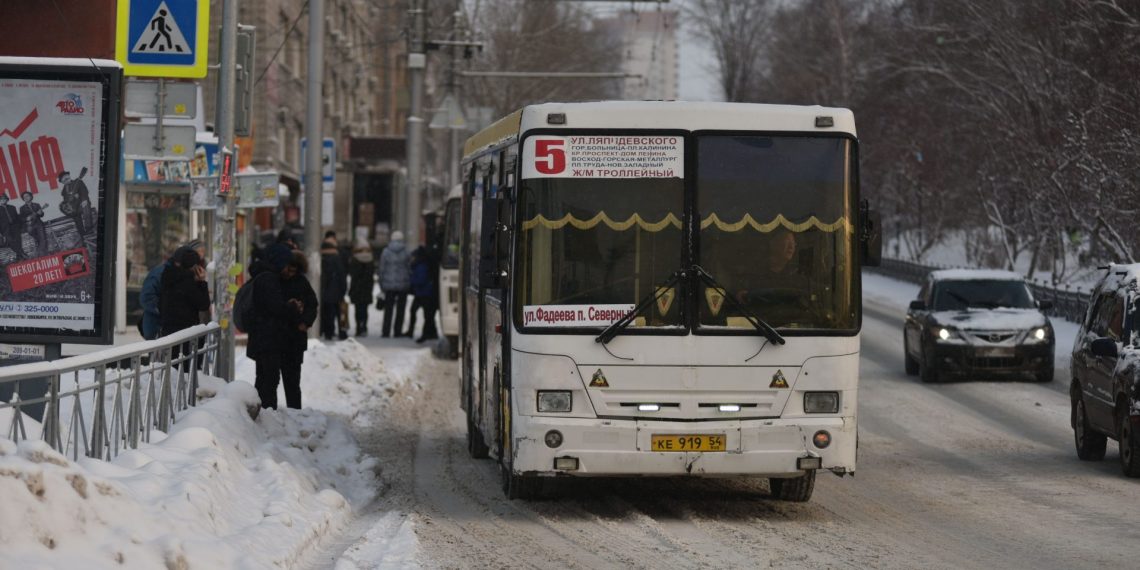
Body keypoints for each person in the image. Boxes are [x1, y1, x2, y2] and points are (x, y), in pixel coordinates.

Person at [247, 245, 317, 409]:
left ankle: (294, 416)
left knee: (291, 383)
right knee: (268, 380)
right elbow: (275, 308)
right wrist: (292, 307)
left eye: (293, 271)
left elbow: (312, 304)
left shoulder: (301, 282)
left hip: (293, 340)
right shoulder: (270, 279)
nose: (289, 273)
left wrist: (305, 322)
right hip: (274, 339)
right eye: (288, 269)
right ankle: (268, 414)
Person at [139, 240, 203, 340]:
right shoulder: (160, 273)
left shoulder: (184, 274)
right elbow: (146, 297)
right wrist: (167, 311)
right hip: (158, 327)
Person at [159, 247, 211, 370]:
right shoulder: (188, 283)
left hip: (168, 332)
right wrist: (202, 282)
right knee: (186, 373)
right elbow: (203, 304)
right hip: (186, 335)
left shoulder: (167, 276)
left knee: (172, 371)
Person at [378, 230, 411, 338]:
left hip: (389, 284)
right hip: (403, 284)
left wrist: (381, 283)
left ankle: (385, 331)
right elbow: (409, 268)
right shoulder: (406, 252)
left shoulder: (386, 252)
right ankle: (397, 331)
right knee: (400, 310)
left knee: (388, 309)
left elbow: (382, 269)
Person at [404, 246, 439, 343]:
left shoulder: (421, 266)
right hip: (423, 293)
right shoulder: (421, 264)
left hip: (423, 293)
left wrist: (411, 279)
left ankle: (424, 334)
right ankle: (431, 333)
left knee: (425, 315)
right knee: (427, 315)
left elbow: (420, 280)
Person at [320, 232, 348, 340]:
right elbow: (342, 275)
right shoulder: (337, 259)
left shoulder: (320, 258)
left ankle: (328, 332)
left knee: (328, 314)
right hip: (337, 290)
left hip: (325, 291)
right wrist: (343, 289)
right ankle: (342, 332)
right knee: (340, 313)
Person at [347, 238, 376, 337]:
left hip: (357, 287)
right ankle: (364, 326)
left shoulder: (354, 259)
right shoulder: (371, 259)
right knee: (365, 309)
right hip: (367, 288)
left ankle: (359, 327)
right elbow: (371, 274)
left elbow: (352, 274)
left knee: (357, 309)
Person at [58, 169, 91, 236]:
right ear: (62, 182)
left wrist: (82, 199)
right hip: (73, 208)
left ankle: (89, 228)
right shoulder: (64, 191)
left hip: (82, 203)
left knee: (86, 206)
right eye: (64, 180)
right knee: (76, 217)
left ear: (69, 176)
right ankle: (83, 234)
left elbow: (85, 192)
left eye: (67, 178)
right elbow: (66, 202)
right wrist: (68, 207)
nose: (67, 180)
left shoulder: (78, 182)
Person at [19, 191, 47, 257]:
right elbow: (21, 219)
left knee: (42, 238)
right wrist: (26, 218)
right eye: (24, 197)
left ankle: (42, 254)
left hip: (38, 223)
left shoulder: (36, 205)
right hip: (30, 225)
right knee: (39, 238)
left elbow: (42, 215)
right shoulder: (22, 208)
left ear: (31, 197)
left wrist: (41, 213)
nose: (26, 198)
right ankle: (42, 250)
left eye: (27, 196)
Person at [0, 194, 25, 261]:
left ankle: (20, 257)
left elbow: (17, 217)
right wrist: (1, 233)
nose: (3, 200)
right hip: (5, 229)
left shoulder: (12, 207)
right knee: (10, 241)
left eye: (4, 199)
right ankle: (22, 254)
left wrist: (20, 226)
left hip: (15, 227)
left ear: (7, 200)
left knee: (18, 242)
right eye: (1, 199)